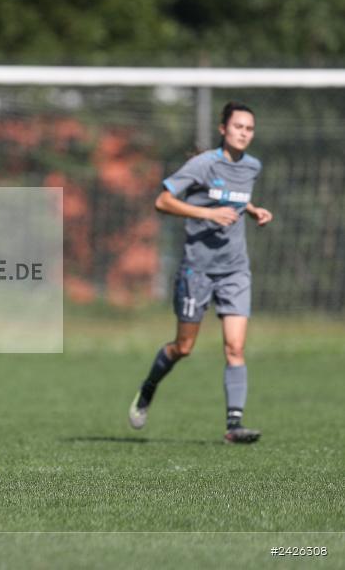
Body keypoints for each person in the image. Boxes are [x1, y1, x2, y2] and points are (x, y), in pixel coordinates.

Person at [128, 101, 274, 443]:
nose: (244, 133)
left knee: (235, 347)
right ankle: (148, 387)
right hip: (198, 270)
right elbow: (162, 201)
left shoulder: (252, 166)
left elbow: (233, 197)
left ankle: (234, 425)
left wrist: (251, 210)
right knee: (184, 347)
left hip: (235, 269)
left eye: (249, 128)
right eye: (238, 126)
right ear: (223, 129)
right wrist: (208, 215)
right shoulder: (203, 164)